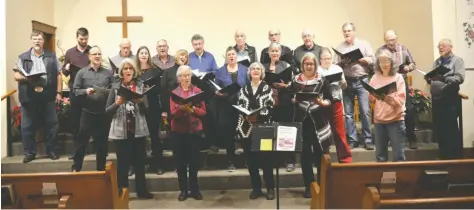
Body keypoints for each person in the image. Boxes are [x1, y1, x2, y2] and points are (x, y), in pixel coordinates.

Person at [105, 58, 154, 199]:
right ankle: (122, 190)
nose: (128, 71)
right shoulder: (115, 87)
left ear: (134, 71)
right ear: (121, 71)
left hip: (138, 129)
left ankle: (142, 191)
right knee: (122, 163)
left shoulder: (141, 85)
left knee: (139, 161)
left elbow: (147, 110)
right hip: (121, 129)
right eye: (125, 69)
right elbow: (107, 111)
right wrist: (117, 103)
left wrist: (140, 103)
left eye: (130, 68)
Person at [13, 30, 62, 163]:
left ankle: (52, 151)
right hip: (29, 97)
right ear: (31, 40)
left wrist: (58, 92)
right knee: (27, 126)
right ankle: (29, 153)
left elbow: (58, 74)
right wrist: (27, 78)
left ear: (43, 41)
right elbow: (16, 75)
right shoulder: (23, 57)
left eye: (39, 39)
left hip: (47, 96)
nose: (37, 41)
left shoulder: (52, 56)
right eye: (35, 39)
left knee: (52, 124)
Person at [292, 53, 332, 198]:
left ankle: (322, 186)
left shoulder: (322, 80)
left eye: (312, 64)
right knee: (305, 156)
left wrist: (322, 103)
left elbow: (330, 100)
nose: (309, 66)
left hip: (319, 123)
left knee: (320, 155)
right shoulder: (295, 80)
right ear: (302, 65)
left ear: (315, 65)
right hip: (303, 123)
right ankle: (309, 186)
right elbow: (291, 98)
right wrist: (293, 100)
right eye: (306, 64)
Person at [236, 62, 275, 200]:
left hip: (263, 130)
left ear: (262, 72)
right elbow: (240, 106)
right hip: (246, 130)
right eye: (253, 69)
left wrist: (257, 116)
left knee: (266, 161)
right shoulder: (243, 89)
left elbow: (270, 108)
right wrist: (246, 115)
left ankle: (270, 188)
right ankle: (256, 188)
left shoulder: (267, 88)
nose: (255, 71)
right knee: (251, 162)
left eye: (258, 68)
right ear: (249, 72)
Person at [71, 45, 114, 172]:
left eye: (99, 54)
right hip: (87, 112)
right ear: (89, 57)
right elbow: (75, 91)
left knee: (102, 145)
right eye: (94, 54)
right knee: (81, 143)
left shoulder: (108, 73)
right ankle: (76, 168)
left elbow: (114, 89)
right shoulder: (82, 72)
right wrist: (85, 91)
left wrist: (106, 92)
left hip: (102, 113)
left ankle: (101, 171)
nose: (97, 56)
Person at [375, 30, 418, 149]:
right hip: (386, 82)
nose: (391, 42)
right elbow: (375, 67)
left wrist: (408, 67)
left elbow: (413, 64)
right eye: (388, 40)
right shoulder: (380, 51)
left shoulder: (403, 49)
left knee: (407, 109)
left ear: (396, 38)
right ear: (385, 40)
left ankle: (411, 138)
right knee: (389, 109)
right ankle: (391, 139)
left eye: (393, 40)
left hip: (401, 82)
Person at [170, 65, 207, 201]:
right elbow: (173, 113)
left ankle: (195, 189)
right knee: (180, 163)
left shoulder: (197, 91)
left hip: (194, 131)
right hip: (179, 131)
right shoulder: (174, 93)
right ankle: (183, 190)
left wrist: (192, 110)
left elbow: (203, 111)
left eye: (188, 75)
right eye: (183, 76)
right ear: (178, 78)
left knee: (193, 162)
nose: (186, 78)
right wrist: (182, 108)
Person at [335, 22, 375, 150]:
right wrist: (342, 62)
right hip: (347, 81)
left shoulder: (364, 44)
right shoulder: (340, 47)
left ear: (354, 31)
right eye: (345, 31)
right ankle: (352, 140)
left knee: (365, 111)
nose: (347, 33)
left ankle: (367, 139)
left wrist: (363, 60)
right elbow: (335, 65)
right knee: (348, 113)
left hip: (362, 80)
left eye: (349, 31)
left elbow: (373, 59)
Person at [426, 39, 465, 160]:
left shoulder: (457, 60)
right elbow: (433, 77)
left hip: (450, 98)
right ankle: (443, 154)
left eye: (443, 46)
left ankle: (453, 156)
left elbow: (460, 77)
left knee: (450, 127)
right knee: (439, 127)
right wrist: (429, 78)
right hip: (437, 98)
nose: (440, 48)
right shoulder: (437, 62)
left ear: (450, 47)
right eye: (439, 46)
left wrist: (444, 79)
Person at [263, 42, 297, 172]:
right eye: (272, 51)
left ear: (280, 53)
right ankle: (273, 161)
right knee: (270, 131)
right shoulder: (264, 67)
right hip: (269, 102)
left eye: (277, 51)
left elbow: (294, 85)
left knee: (286, 130)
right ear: (269, 53)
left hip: (284, 102)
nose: (275, 53)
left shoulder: (287, 66)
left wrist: (286, 86)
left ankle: (290, 160)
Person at [214, 46, 249, 172]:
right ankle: (230, 161)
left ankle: (247, 160)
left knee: (245, 134)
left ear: (237, 56)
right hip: (226, 106)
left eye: (233, 54)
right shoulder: (220, 71)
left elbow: (250, 87)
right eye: (229, 54)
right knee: (229, 136)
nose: (231, 56)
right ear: (226, 57)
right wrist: (218, 93)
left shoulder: (245, 70)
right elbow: (216, 87)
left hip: (242, 107)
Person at [369, 51, 407, 162]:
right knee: (380, 156)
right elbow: (371, 100)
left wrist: (385, 98)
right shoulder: (375, 77)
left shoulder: (398, 78)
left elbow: (400, 101)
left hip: (395, 119)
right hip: (379, 120)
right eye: (381, 61)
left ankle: (401, 179)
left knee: (398, 155)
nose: (384, 64)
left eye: (387, 61)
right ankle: (382, 178)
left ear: (392, 62)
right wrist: (371, 94)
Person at [317, 48, 352, 163]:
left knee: (339, 131)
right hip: (322, 104)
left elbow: (344, 86)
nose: (327, 60)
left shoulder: (337, 68)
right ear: (320, 59)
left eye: (329, 58)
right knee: (323, 131)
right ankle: (324, 159)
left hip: (336, 102)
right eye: (324, 58)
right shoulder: (317, 70)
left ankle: (345, 158)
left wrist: (343, 83)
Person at [61, 28, 91, 160]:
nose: (84, 41)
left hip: (90, 90)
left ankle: (94, 149)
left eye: (86, 39)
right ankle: (77, 150)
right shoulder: (70, 52)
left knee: (92, 120)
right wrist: (66, 68)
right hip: (75, 90)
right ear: (77, 38)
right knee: (76, 121)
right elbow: (65, 72)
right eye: (81, 39)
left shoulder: (92, 51)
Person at [136, 46, 165, 175]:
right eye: (141, 53)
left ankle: (158, 164)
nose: (143, 55)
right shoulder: (134, 70)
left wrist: (151, 87)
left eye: (146, 53)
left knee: (155, 137)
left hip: (152, 106)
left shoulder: (155, 70)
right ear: (138, 55)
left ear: (149, 55)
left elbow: (160, 89)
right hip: (137, 107)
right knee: (138, 138)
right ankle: (138, 166)